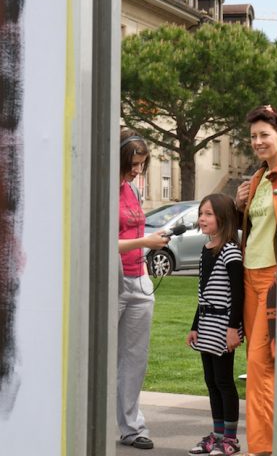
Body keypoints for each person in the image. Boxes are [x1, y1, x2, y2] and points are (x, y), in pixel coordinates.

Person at [234, 105, 277, 455]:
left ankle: (263, 448)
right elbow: (253, 228)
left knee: (260, 364)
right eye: (253, 136)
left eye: (265, 134)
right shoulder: (257, 179)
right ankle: (272, 440)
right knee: (262, 364)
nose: (258, 141)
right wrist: (240, 206)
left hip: (274, 278)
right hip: (249, 275)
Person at [118, 129, 169, 450]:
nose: (138, 170)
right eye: (132, 164)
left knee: (135, 358)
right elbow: (101, 240)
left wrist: (151, 248)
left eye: (141, 164)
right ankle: (85, 423)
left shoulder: (134, 190)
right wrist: (144, 241)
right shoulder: (102, 190)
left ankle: (132, 428)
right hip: (112, 281)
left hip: (139, 280)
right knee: (100, 356)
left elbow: (136, 233)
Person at [186, 193, 245, 456]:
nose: (202, 218)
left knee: (224, 381)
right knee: (211, 381)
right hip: (207, 325)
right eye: (201, 213)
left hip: (223, 326)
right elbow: (203, 293)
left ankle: (230, 438)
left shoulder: (230, 251)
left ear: (223, 217)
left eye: (208, 214)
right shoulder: (206, 249)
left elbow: (238, 294)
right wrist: (194, 326)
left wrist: (233, 328)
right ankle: (217, 434)